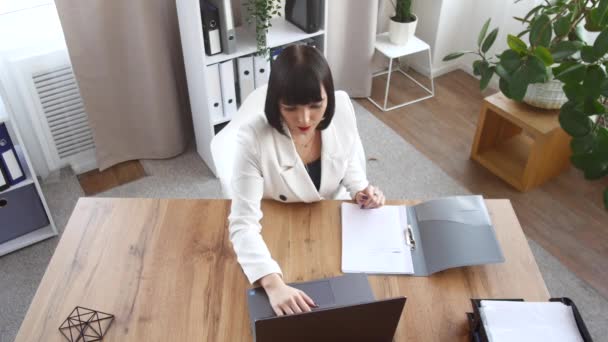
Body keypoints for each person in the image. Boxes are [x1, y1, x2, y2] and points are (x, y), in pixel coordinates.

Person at [228, 44, 385, 317]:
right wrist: (273, 284)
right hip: (276, 226)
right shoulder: (252, 139)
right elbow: (243, 226)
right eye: (291, 108)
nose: (305, 119)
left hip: (326, 224)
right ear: (275, 102)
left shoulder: (344, 112)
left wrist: (361, 190)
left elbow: (346, 160)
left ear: (329, 99)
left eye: (316, 106)